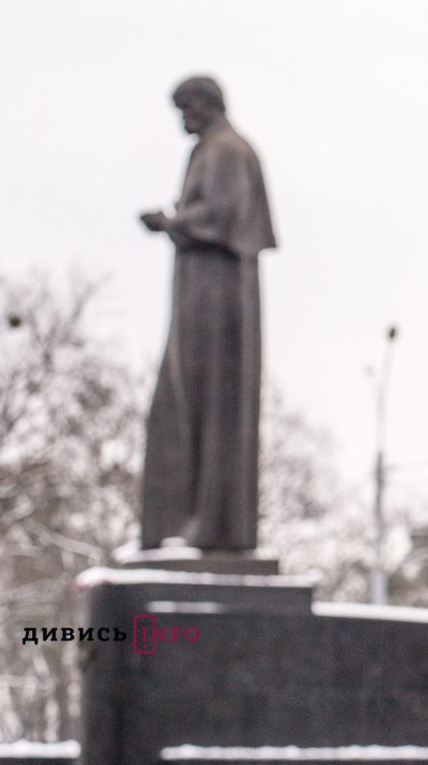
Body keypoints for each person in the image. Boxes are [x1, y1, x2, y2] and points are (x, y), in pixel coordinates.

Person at [138, 75, 276, 552]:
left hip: (218, 302)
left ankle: (211, 525)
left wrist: (171, 222)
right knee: (180, 406)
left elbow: (222, 215)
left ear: (206, 105)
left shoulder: (228, 151)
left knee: (211, 405)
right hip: (200, 295)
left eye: (186, 109)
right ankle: (179, 524)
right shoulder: (209, 151)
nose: (183, 119)